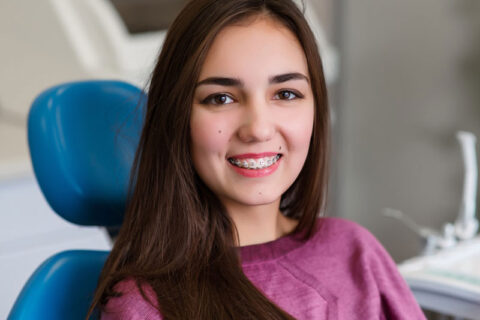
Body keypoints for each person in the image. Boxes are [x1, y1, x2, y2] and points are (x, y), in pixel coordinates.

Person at [88, 0, 426, 319]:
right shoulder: (146, 306)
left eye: (285, 94)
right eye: (221, 98)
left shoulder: (355, 251)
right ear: (177, 119)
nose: (259, 129)